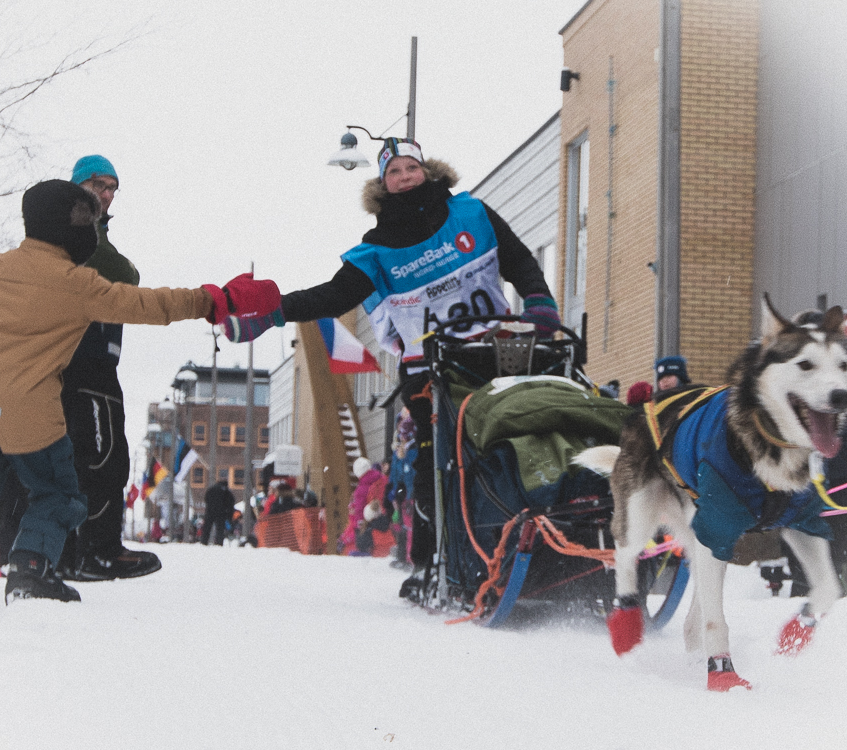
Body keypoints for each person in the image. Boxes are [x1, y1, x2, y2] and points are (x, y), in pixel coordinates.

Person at [0, 179, 280, 625]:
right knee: (59, 494)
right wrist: (216, 300)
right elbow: (152, 305)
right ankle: (30, 571)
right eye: (86, 220)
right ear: (67, 225)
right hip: (33, 422)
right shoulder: (77, 283)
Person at [223, 138, 559, 596]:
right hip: (430, 367)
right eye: (393, 172)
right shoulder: (377, 249)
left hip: (494, 349)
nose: (404, 177)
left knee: (520, 436)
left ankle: (548, 540)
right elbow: (334, 297)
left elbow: (518, 259)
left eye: (410, 168)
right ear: (383, 184)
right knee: (435, 463)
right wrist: (274, 312)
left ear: (426, 170)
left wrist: (539, 299)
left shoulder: (471, 213)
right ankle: (430, 561)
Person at [56, 155, 161, 580]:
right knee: (99, 460)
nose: (107, 193)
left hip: (95, 361)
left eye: (113, 187)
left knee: (95, 457)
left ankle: (77, 551)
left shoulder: (90, 234)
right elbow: (123, 272)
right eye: (99, 184)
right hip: (85, 363)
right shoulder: (79, 235)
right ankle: (97, 550)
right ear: (78, 185)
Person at [201, 479, 235, 546]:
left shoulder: (211, 489)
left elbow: (206, 499)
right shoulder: (227, 492)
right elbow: (230, 503)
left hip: (210, 511)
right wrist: (229, 515)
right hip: (221, 513)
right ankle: (219, 543)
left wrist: (210, 507)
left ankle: (204, 542)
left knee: (207, 528)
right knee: (220, 529)